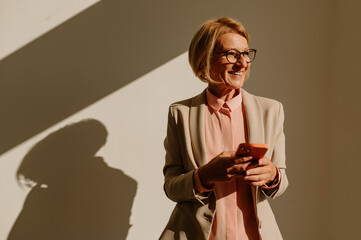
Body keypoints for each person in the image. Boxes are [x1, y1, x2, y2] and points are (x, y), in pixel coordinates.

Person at [159, 17, 288, 240]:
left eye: (246, 53)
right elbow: (171, 187)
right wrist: (204, 176)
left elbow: (282, 180)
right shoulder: (180, 113)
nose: (242, 63)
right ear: (204, 60)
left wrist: (272, 174)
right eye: (232, 54)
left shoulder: (271, 110)